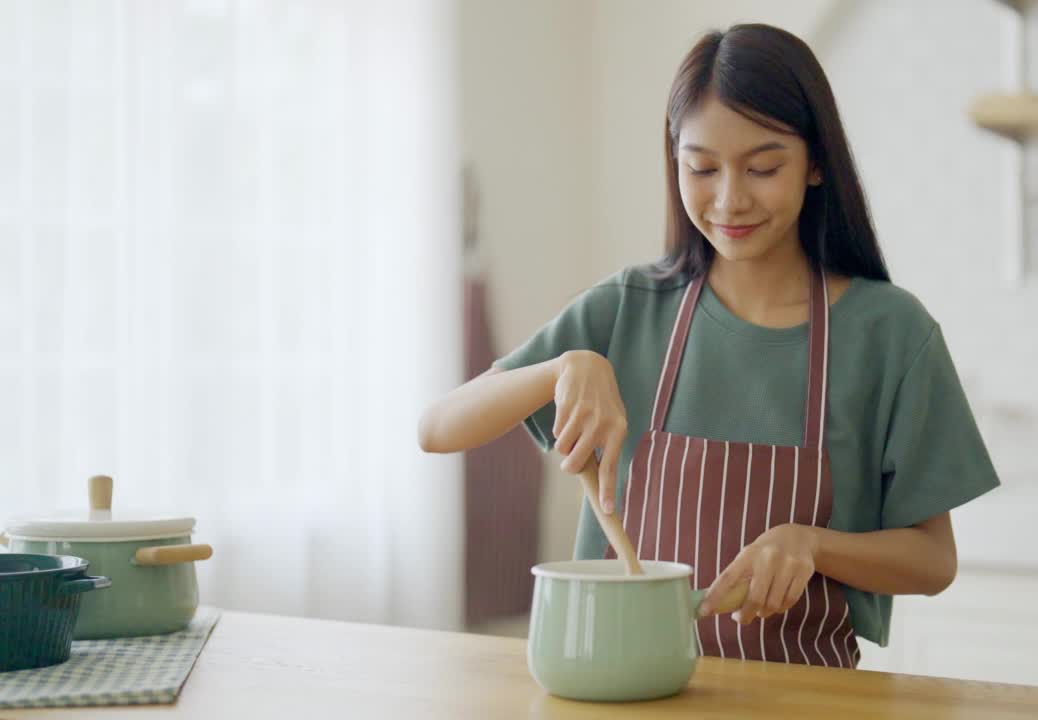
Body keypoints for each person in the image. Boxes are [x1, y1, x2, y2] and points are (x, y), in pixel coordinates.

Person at [419, 23, 1000, 669]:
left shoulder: (889, 333)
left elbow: (933, 561)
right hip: (620, 690)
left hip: (805, 700)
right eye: (701, 167)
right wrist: (562, 368)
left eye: (763, 166)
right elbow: (437, 428)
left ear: (815, 164)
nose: (730, 198)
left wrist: (812, 545)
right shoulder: (628, 309)